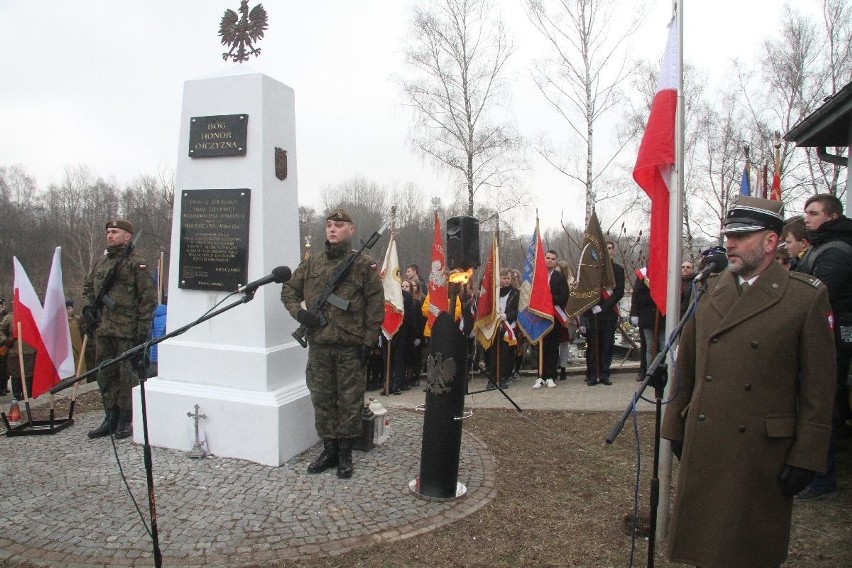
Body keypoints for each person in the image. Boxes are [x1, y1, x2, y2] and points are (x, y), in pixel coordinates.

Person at [661, 196, 836, 568]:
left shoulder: (803, 297)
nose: (730, 244)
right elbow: (687, 365)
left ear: (771, 242)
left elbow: (819, 389)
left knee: (749, 552)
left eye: (741, 236)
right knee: (704, 549)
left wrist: (808, 455)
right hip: (708, 440)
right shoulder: (711, 290)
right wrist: (676, 425)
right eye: (728, 235)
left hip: (761, 452)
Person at [281, 208, 384, 479]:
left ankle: (346, 453)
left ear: (351, 230)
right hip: (319, 345)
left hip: (350, 346)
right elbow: (289, 289)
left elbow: (375, 304)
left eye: (338, 225)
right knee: (322, 398)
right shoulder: (312, 263)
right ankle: (329, 449)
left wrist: (369, 341)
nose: (332, 229)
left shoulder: (363, 264)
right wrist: (299, 313)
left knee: (350, 400)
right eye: (328, 225)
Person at [791, 193, 852, 499]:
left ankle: (822, 477)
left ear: (833, 217)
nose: (808, 219)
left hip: (834, 335)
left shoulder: (836, 252)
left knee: (823, 401)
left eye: (814, 213)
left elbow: (817, 294)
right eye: (806, 214)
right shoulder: (821, 249)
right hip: (824, 332)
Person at [83, 219, 157, 440]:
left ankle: (126, 418)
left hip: (127, 330)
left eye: (115, 232)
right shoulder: (102, 262)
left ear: (127, 236)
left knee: (127, 377)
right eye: (107, 231)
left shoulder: (137, 263)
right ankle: (110, 416)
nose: (109, 235)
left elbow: (148, 300)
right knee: (105, 374)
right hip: (103, 329)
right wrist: (88, 308)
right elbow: (88, 286)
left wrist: (141, 332)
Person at [582, 241, 624, 386]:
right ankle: (593, 374)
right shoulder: (592, 269)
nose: (608, 250)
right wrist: (592, 307)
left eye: (610, 248)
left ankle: (605, 374)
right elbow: (586, 291)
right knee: (593, 345)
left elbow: (619, 292)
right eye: (605, 248)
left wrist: (604, 307)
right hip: (593, 314)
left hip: (608, 313)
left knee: (607, 344)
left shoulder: (618, 270)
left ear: (614, 251)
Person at [532, 250, 569, 389]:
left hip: (554, 317)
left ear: (556, 261)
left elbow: (564, 297)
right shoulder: (537, 276)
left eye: (553, 259)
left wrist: (548, 299)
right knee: (541, 347)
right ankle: (540, 376)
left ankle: (551, 376)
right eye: (547, 258)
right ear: (544, 259)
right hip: (539, 316)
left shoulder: (560, 277)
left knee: (553, 347)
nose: (550, 260)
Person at [485, 268, 519, 390]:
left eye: (508, 278)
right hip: (494, 325)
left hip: (508, 326)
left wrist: (507, 316)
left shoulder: (515, 293)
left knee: (507, 353)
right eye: (504, 278)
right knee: (493, 353)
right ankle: (493, 378)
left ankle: (504, 377)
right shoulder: (493, 293)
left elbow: (517, 311)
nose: (506, 281)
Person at [630, 267, 664, 382]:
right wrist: (634, 313)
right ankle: (647, 372)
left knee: (663, 345)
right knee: (648, 346)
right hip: (646, 317)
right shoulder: (643, 275)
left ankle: (663, 371)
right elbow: (636, 296)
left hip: (662, 316)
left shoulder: (665, 272)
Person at [0, 301, 36, 401]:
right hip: (13, 352)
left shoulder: (32, 316)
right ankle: (16, 399)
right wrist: (4, 340)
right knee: (16, 377)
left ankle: (28, 399)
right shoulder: (9, 317)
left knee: (28, 377)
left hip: (29, 351)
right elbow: (1, 329)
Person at [0, 297, 8, 396]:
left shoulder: (6, 316)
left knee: (4, 367)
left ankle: (3, 387)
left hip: (3, 345)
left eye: (2, 305)